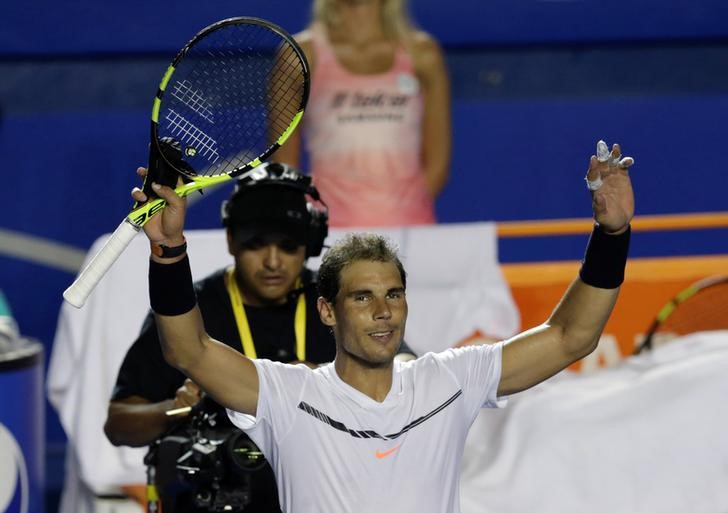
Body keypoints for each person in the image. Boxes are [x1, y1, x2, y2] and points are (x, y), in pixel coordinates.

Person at [136, 141, 634, 512]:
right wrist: (168, 253)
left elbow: (572, 336)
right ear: (327, 311)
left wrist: (612, 235)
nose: (384, 310)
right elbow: (189, 351)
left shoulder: (448, 381)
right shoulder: (287, 395)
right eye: (363, 297)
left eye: (394, 294)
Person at [104, 161, 416, 513]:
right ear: (231, 241)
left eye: (287, 246)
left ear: (310, 245)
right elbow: (118, 425)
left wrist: (332, 387)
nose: (272, 261)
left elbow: (407, 370)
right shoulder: (190, 311)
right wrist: (178, 410)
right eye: (256, 244)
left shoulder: (336, 301)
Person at [274, 0, 451, 228]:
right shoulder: (299, 55)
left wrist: (401, 212)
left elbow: (437, 166)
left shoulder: (423, 54)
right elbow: (284, 164)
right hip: (328, 234)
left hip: (410, 230)